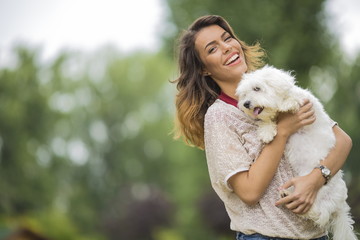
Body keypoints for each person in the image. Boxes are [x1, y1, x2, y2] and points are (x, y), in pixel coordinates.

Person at [172, 15, 353, 240]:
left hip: (317, 234)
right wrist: (283, 130)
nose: (227, 47)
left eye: (227, 38)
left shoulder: (276, 89)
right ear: (204, 69)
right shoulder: (219, 117)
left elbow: (343, 141)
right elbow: (249, 191)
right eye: (213, 49)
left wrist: (315, 180)